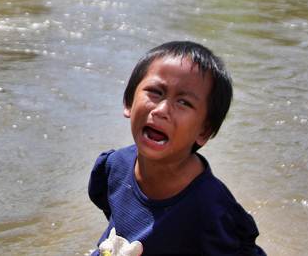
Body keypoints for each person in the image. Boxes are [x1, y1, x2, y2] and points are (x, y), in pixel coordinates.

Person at [88, 41, 266, 255]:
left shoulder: (210, 210)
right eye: (155, 92)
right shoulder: (114, 166)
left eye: (184, 103)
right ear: (128, 102)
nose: (162, 110)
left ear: (204, 131)